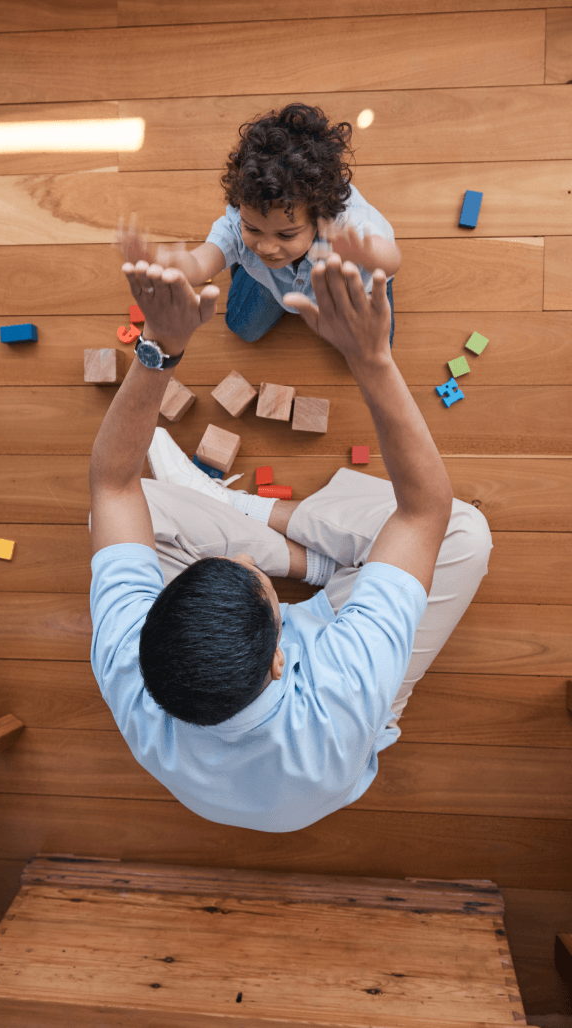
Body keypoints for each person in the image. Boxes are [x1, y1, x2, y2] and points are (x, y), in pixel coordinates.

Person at [89, 252, 493, 834]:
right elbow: (424, 511)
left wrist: (159, 347)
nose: (249, 562)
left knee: (130, 511)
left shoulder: (127, 662)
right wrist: (372, 358)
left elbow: (112, 484)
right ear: (282, 658)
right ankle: (318, 551)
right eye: (260, 583)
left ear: (151, 626)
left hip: (241, 748)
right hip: (332, 728)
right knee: (464, 532)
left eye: (235, 568)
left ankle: (254, 517)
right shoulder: (346, 688)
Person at [117, 103, 401, 346]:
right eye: (252, 228)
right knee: (242, 327)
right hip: (272, 282)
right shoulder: (241, 215)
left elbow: (391, 263)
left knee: (373, 348)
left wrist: (362, 253)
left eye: (286, 234)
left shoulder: (349, 223)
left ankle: (244, 264)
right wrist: (174, 266)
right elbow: (200, 263)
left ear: (320, 217)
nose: (266, 246)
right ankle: (244, 265)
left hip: (345, 291)